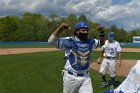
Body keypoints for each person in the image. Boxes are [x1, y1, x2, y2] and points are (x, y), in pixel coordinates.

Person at [48, 21, 105, 93]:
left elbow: (102, 43)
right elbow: (50, 41)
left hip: (85, 77)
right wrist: (60, 28)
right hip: (71, 77)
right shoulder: (70, 41)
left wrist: (101, 32)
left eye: (87, 30)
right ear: (77, 31)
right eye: (83, 30)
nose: (85, 32)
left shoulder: (91, 42)